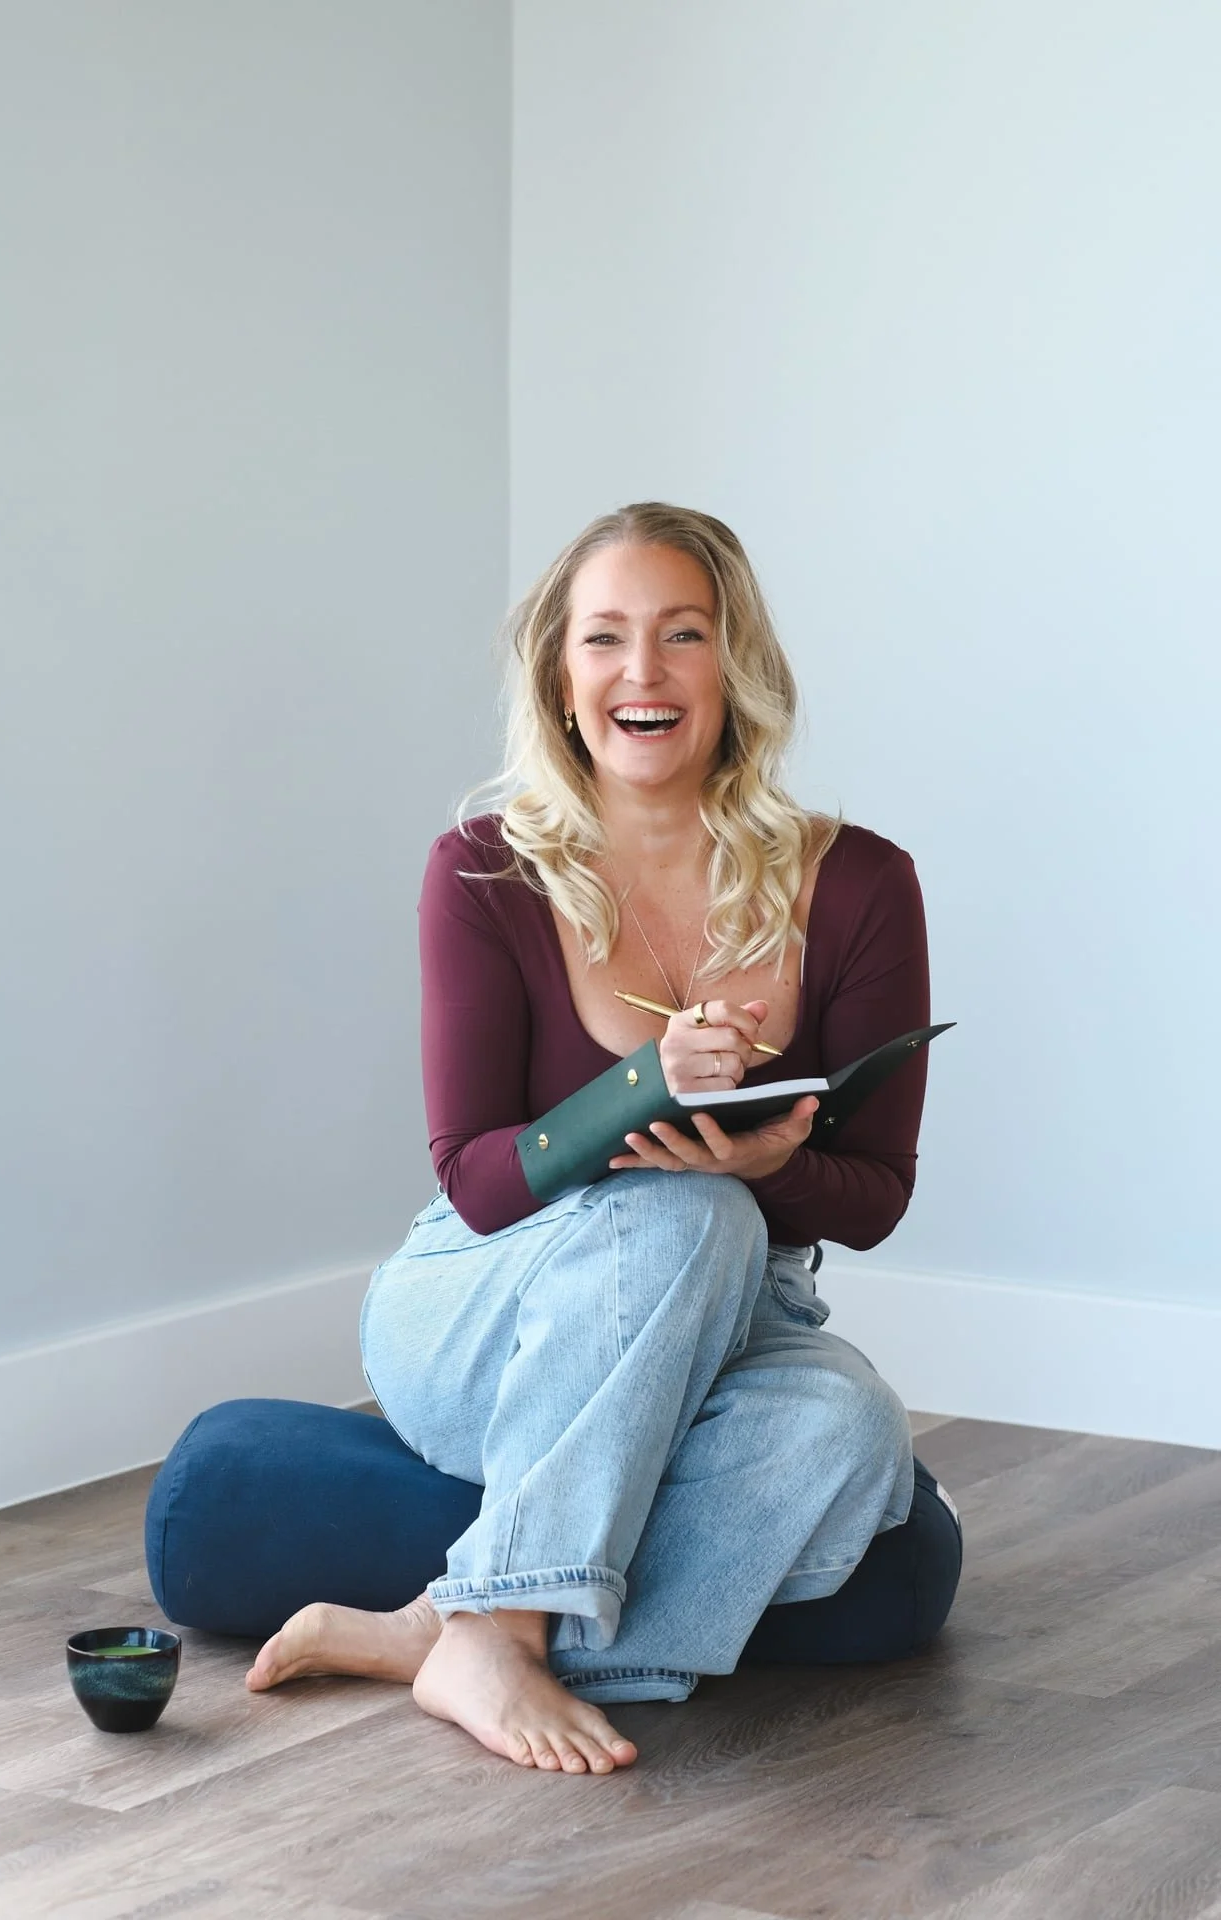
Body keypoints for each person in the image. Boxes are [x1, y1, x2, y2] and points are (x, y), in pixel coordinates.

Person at [243, 502, 931, 1776]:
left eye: (682, 635)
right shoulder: (484, 871)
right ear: (560, 679)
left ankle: (437, 1628)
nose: (642, 673)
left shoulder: (859, 883)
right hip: (487, 1303)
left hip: (738, 1313)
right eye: (603, 638)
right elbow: (474, 1179)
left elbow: (876, 1194)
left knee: (849, 1431)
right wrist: (640, 1089)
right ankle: (502, 1630)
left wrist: (776, 1164)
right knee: (687, 1209)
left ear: (735, 669)